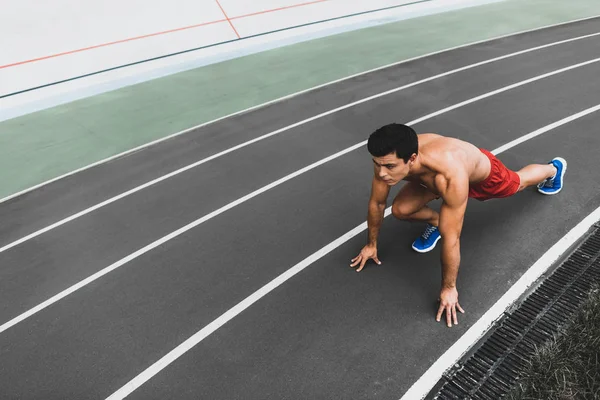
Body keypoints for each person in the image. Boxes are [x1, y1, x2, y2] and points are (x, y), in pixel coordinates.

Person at [350, 123, 566, 327]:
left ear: (412, 158)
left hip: (482, 175)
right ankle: (434, 223)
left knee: (517, 183)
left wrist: (449, 288)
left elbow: (452, 237)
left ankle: (553, 170)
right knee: (401, 210)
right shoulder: (388, 161)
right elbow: (378, 203)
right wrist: (371, 244)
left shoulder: (449, 174)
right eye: (376, 165)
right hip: (432, 178)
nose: (381, 173)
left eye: (389, 166)